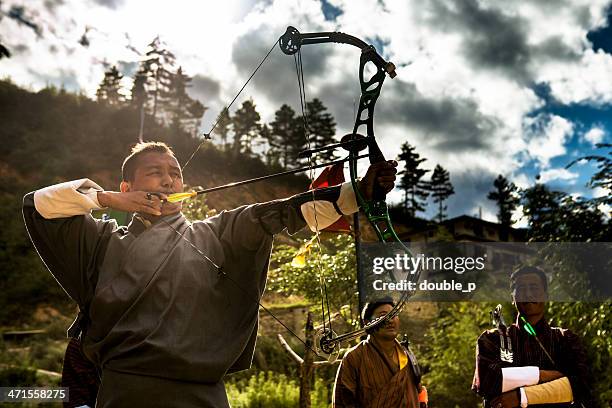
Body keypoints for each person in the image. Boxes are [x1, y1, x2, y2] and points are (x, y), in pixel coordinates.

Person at [22, 141, 397, 407]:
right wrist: (105, 200)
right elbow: (38, 205)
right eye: (154, 173)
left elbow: (276, 214)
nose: (168, 181)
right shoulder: (102, 243)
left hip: (204, 393)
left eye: (175, 174)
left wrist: (356, 193)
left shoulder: (214, 233)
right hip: (126, 392)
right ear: (127, 187)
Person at [472, 266, 592, 407]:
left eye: (534, 288)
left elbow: (580, 386)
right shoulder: (493, 339)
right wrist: (543, 376)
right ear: (512, 297)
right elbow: (487, 382)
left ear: (546, 295)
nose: (528, 294)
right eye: (522, 289)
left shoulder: (565, 339)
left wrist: (520, 396)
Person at [333, 298, 427, 408]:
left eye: (394, 315)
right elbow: (343, 403)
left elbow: (419, 395)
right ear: (367, 323)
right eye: (383, 315)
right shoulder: (354, 357)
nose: (390, 320)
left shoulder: (406, 355)